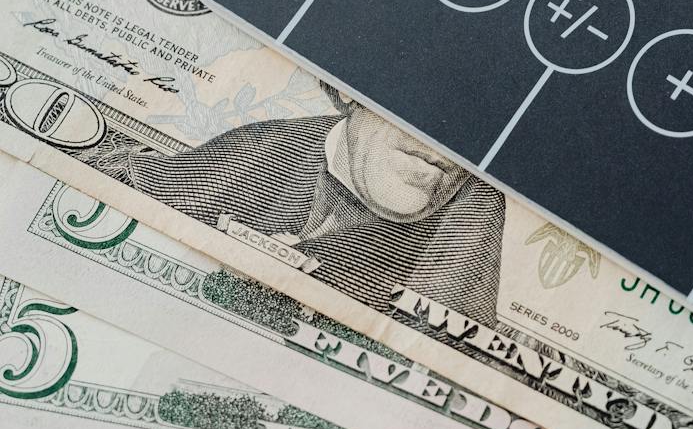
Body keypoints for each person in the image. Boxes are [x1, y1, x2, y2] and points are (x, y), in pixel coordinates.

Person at [87, 82, 505, 325]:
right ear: (348, 90)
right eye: (426, 101)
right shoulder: (260, 149)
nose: (444, 142)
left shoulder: (474, 216)